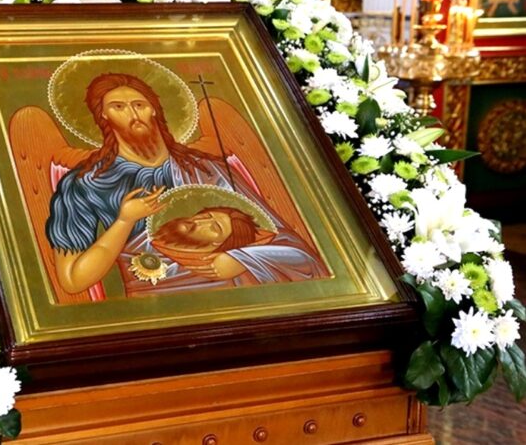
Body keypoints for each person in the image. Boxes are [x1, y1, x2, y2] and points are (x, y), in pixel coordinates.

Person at [46, 73, 326, 297]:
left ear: (154, 110)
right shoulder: (85, 184)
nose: (133, 114)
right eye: (118, 107)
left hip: (238, 301)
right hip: (156, 307)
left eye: (139, 105)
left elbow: (291, 247)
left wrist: (244, 258)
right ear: (103, 116)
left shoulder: (208, 170)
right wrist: (124, 222)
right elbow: (73, 280)